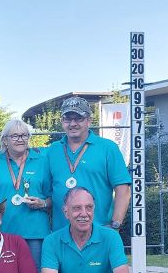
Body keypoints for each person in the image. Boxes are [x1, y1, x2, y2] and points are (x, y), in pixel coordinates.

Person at [44, 96, 131, 230]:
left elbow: (123, 190)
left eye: (78, 118)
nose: (73, 123)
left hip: (99, 232)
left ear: (89, 120)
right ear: (62, 121)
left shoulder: (108, 148)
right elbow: (48, 193)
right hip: (61, 234)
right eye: (68, 119)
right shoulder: (52, 150)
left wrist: (115, 225)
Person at [0, 118, 51, 271]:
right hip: (4, 231)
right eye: (14, 136)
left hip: (35, 233)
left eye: (24, 135)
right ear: (5, 140)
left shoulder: (42, 161)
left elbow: (52, 197)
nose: (20, 139)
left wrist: (42, 203)